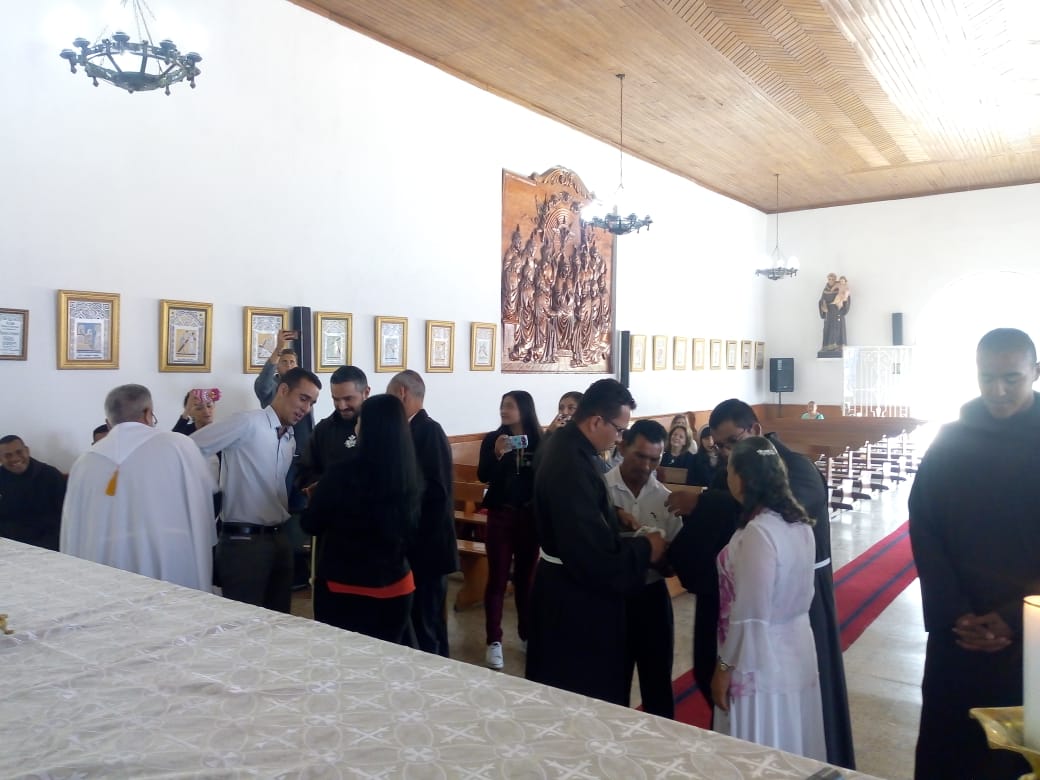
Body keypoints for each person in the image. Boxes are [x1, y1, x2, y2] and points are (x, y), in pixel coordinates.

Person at [666, 398, 855, 769]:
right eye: (720, 446)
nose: (726, 455)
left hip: (780, 613)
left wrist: (703, 501)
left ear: (754, 429)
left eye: (732, 442)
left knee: (767, 725)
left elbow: (750, 613)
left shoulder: (796, 471)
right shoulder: (737, 482)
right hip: (741, 601)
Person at [908, 327, 1040, 780]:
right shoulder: (951, 440)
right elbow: (925, 527)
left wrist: (1013, 617)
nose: (997, 390)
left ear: (1035, 373)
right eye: (987, 378)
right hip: (958, 634)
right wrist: (955, 612)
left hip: (1030, 635)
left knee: (1019, 757)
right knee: (951, 748)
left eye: (1011, 378)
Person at [525, 378, 667, 706]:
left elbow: (572, 510)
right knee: (582, 694)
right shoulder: (571, 463)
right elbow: (593, 555)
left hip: (559, 583)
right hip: (572, 598)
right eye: (618, 430)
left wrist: (610, 513)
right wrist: (647, 547)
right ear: (596, 421)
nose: (619, 438)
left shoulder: (564, 445)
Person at [712, 436, 825, 758]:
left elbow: (750, 615)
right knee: (790, 737)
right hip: (795, 650)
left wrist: (723, 668)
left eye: (729, 470)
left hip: (758, 659)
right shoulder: (798, 523)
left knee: (759, 747)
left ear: (742, 478)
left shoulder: (759, 532)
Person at [60, 385, 216, 590]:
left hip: (106, 572)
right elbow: (203, 505)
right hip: (170, 561)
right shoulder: (178, 445)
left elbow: (73, 529)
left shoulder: (84, 462)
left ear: (108, 422)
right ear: (148, 413)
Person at [192, 367, 321, 612]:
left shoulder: (289, 438)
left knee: (279, 619)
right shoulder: (247, 422)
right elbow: (192, 446)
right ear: (283, 390)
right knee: (243, 620)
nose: (306, 408)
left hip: (279, 537)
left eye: (312, 403)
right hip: (243, 541)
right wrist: (205, 491)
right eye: (303, 398)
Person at [301, 394, 421, 643]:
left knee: (342, 658)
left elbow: (311, 524)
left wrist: (315, 500)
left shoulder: (341, 473)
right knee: (387, 659)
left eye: (359, 420)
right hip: (396, 586)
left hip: (344, 586)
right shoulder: (409, 474)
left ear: (367, 427)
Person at [606, 419, 681, 718]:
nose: (646, 466)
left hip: (652, 596)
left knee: (658, 681)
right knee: (612, 681)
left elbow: (673, 566)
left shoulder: (664, 498)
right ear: (623, 446)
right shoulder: (601, 489)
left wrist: (660, 557)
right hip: (611, 598)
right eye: (640, 456)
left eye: (654, 459)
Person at [387, 370, 458, 656]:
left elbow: (437, 493)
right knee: (416, 623)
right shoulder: (408, 430)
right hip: (414, 545)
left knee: (428, 624)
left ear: (402, 393)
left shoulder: (428, 431)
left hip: (428, 547)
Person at [477, 390, 543, 670]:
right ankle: (494, 641)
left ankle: (527, 634)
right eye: (502, 405)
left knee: (526, 579)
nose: (504, 410)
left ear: (524, 409)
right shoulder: (494, 439)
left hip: (529, 518)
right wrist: (497, 453)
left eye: (510, 406)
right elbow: (483, 475)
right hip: (500, 516)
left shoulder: (540, 440)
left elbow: (544, 475)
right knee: (497, 579)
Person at [297, 365, 370, 492]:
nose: (342, 406)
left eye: (348, 398)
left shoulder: (381, 427)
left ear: (366, 393)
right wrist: (327, 485)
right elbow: (304, 473)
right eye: (336, 399)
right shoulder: (323, 430)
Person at [0, 435, 66, 551]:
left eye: (19, 452)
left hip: (47, 545)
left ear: (27, 451)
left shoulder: (50, 475)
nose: (15, 458)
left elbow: (64, 516)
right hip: (8, 545)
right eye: (8, 455)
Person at [819, 272, 851, 358]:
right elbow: (821, 300)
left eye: (833, 279)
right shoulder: (825, 289)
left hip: (837, 311)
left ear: (835, 279)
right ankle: (827, 346)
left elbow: (846, 297)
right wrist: (823, 306)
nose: (831, 281)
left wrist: (843, 306)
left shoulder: (840, 286)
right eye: (829, 279)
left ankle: (839, 346)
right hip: (828, 312)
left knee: (838, 328)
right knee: (828, 328)